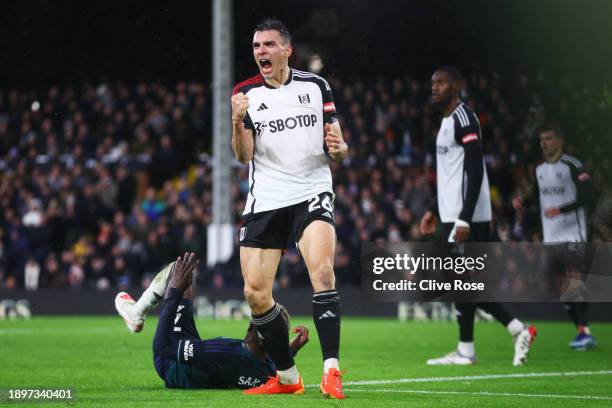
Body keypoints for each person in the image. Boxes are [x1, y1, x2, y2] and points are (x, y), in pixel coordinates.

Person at [230, 18, 348, 398]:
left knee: (323, 270)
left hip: (311, 189)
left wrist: (341, 150)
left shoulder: (316, 87)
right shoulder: (245, 93)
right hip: (266, 199)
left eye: (268, 45)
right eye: (256, 46)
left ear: (286, 50)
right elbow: (242, 155)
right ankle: (286, 376)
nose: (260, 52)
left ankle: (332, 370)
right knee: (255, 293)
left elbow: (338, 146)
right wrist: (236, 120)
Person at [419, 66, 536, 366]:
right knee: (461, 280)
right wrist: (433, 208)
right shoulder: (446, 121)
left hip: (466, 215)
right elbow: (450, 174)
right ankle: (470, 348)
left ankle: (515, 330)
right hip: (450, 212)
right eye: (433, 83)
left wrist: (464, 218)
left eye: (442, 83)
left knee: (457, 280)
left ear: (457, 85)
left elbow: (474, 168)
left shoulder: (464, 118)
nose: (435, 87)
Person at [114, 252, 310, 390]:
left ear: (251, 325)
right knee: (189, 273)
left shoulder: (223, 353)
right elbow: (274, 365)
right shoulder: (265, 371)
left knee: (179, 271)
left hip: (172, 365)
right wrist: (289, 351)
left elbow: (162, 348)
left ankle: (136, 314)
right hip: (197, 358)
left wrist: (173, 292)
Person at [513, 124, 597, 350]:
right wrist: (523, 203)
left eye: (549, 138)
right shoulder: (539, 170)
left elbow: (588, 197)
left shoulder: (572, 165)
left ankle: (585, 332)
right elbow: (540, 199)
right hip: (551, 236)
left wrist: (562, 210)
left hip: (573, 232)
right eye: (542, 139)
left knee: (573, 279)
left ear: (560, 141)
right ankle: (581, 331)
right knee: (560, 286)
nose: (544, 143)